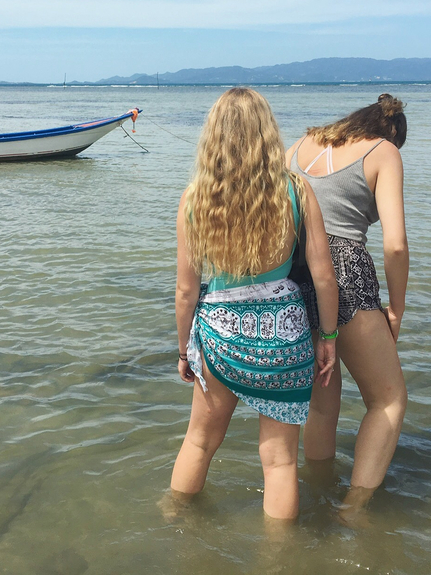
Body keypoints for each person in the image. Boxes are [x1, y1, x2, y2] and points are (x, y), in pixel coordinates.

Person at [169, 87, 340, 520]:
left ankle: (174, 525)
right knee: (280, 462)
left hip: (221, 334)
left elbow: (187, 291)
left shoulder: (195, 198)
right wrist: (329, 337)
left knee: (199, 442)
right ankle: (279, 553)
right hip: (285, 335)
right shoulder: (296, 191)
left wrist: (184, 349)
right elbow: (324, 276)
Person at [286, 94, 409, 513]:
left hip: (295, 272)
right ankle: (353, 512)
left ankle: (316, 493)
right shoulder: (384, 151)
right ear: (391, 133)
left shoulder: (299, 146)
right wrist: (396, 309)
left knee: (322, 400)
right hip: (344, 270)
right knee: (389, 400)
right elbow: (395, 245)